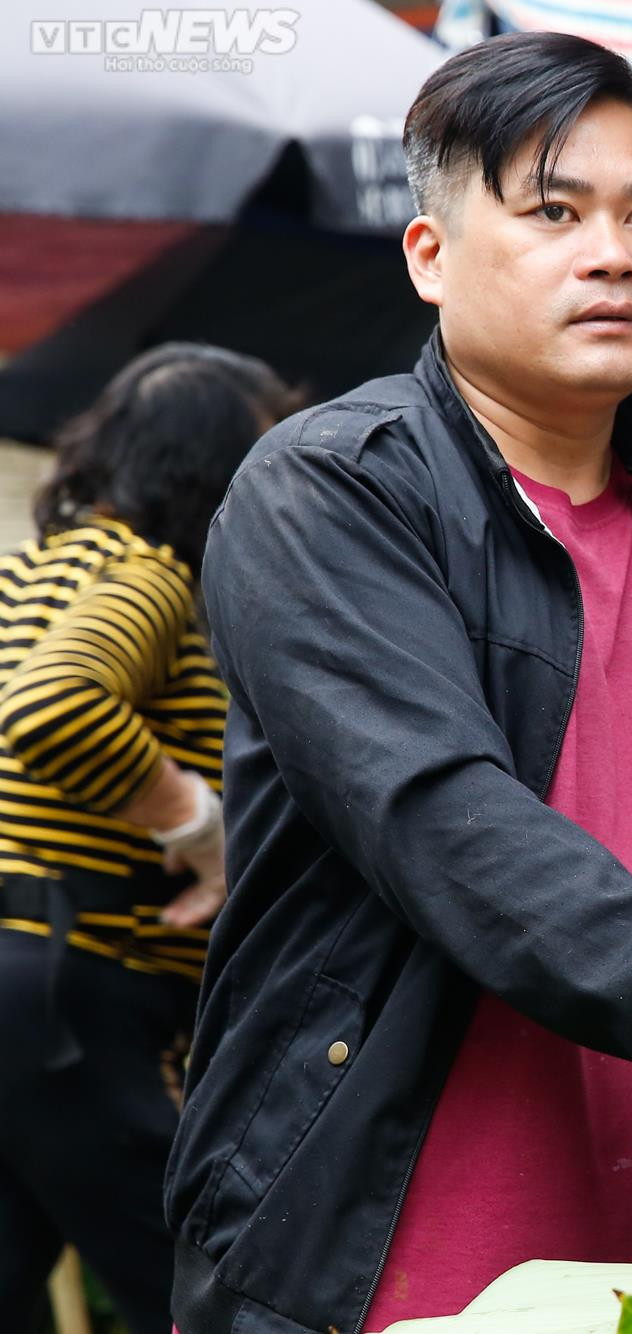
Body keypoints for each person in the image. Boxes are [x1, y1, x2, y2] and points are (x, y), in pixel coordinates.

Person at [165, 33, 632, 1334]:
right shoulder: (331, 492)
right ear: (431, 255)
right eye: (553, 212)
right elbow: (445, 818)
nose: (615, 252)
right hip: (361, 1242)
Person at [0, 343, 295, 1331]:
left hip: (32, 981)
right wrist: (200, 825)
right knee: (208, 1286)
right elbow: (51, 707)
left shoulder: (31, 573)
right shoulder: (145, 568)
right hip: (61, 984)